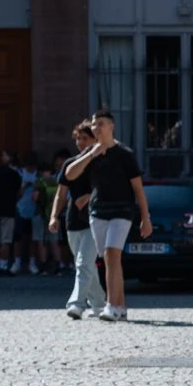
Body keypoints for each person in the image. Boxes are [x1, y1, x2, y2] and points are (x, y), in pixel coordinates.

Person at [63, 111, 151, 320]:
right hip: (98, 212)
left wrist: (145, 218)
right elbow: (70, 174)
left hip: (122, 210)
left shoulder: (124, 154)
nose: (96, 128)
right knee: (109, 259)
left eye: (100, 124)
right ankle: (120, 307)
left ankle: (111, 306)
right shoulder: (91, 153)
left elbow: (138, 189)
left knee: (112, 254)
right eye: (94, 125)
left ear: (111, 127)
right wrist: (91, 155)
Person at [49, 121, 106, 318]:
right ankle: (99, 304)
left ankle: (76, 304)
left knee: (83, 263)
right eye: (78, 138)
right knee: (85, 265)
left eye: (85, 138)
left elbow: (111, 188)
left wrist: (90, 196)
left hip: (95, 219)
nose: (81, 142)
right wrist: (54, 216)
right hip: (73, 220)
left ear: (95, 140)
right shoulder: (70, 164)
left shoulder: (102, 163)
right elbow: (61, 193)